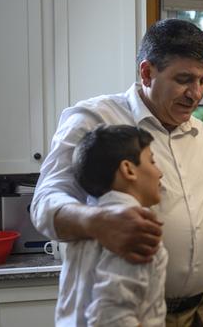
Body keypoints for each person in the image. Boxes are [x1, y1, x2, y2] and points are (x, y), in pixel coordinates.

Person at [32, 19, 203, 326]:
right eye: (184, 79)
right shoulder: (94, 119)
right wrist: (96, 222)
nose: (196, 93)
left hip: (198, 311)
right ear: (147, 72)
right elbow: (43, 204)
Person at [57, 125, 167, 326]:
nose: (159, 173)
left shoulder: (83, 228)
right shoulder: (136, 231)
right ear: (128, 169)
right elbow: (112, 320)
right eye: (152, 161)